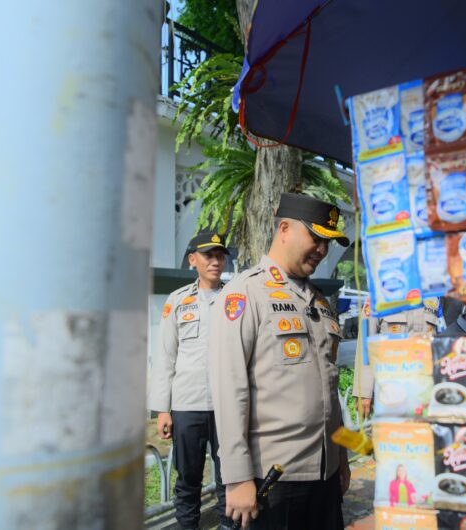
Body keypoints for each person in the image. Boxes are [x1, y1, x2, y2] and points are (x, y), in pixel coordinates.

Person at [209, 193, 352, 530]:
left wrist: (342, 458)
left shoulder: (320, 301)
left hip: (326, 475)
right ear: (284, 229)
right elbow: (229, 391)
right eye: (315, 237)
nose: (322, 250)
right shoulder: (246, 293)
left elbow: (330, 392)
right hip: (275, 479)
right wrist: (237, 478)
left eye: (328, 242)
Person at [148, 231, 233, 530]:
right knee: (188, 479)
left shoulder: (236, 299)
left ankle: (229, 526)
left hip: (228, 405)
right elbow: (165, 357)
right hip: (188, 405)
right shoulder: (178, 301)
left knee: (230, 477)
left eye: (220, 255)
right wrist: (163, 409)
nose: (215, 261)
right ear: (192, 260)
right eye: (208, 255)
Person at [352, 298, 444, 418]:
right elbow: (365, 343)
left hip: (425, 393)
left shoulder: (434, 297)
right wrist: (364, 392)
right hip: (388, 393)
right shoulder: (379, 294)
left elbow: (443, 342)